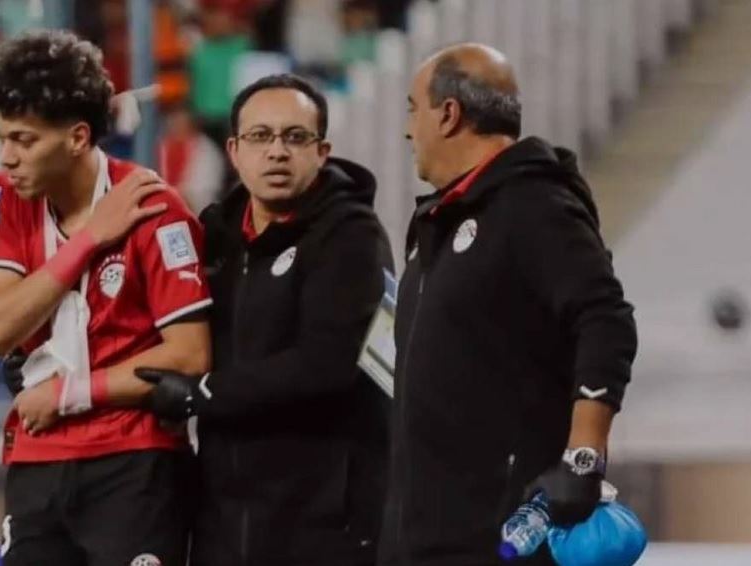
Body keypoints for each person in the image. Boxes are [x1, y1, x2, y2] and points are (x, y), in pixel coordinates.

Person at [377, 43, 638, 565]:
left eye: (412, 109)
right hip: (422, 537)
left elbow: (605, 319)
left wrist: (583, 458)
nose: (408, 130)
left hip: (497, 539)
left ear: (448, 114)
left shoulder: (534, 203)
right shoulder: (437, 222)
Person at [0, 30, 212, 566]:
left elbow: (190, 354)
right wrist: (88, 240)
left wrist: (68, 394)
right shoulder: (3, 197)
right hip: (37, 457)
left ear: (78, 137)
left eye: (25, 141)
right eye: (2, 138)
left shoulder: (155, 208)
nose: (8, 157)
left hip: (135, 462)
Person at [139, 74, 394, 566]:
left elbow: (329, 364)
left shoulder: (353, 236)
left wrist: (204, 392)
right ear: (234, 151)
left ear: (322, 152)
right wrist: (57, 361)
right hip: (222, 524)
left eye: (295, 137)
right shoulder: (215, 235)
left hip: (324, 527)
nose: (277, 151)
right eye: (260, 136)